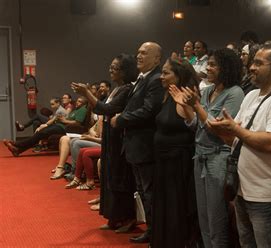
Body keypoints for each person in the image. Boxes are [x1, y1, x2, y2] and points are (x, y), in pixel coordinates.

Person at [208, 43, 271, 248]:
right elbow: (237, 139)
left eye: (258, 63)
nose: (251, 67)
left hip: (266, 195)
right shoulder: (251, 95)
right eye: (252, 62)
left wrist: (234, 129)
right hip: (243, 189)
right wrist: (220, 130)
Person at [169, 48, 245, 248]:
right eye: (208, 64)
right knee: (203, 218)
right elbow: (197, 124)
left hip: (219, 158)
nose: (208, 68)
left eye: (213, 65)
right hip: (200, 156)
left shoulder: (235, 93)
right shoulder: (208, 91)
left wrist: (197, 106)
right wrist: (185, 106)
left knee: (216, 220)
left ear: (226, 68)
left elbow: (218, 128)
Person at [72, 53, 140, 234]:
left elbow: (106, 109)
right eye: (110, 66)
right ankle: (113, 217)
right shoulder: (116, 89)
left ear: (125, 71)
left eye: (115, 68)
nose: (111, 70)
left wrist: (87, 93)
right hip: (110, 137)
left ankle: (127, 218)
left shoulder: (126, 89)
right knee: (109, 176)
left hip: (119, 138)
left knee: (119, 178)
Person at [111, 42, 164, 243]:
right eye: (138, 52)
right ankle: (151, 230)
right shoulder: (143, 79)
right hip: (136, 145)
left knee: (150, 193)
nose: (139, 56)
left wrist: (121, 119)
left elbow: (149, 110)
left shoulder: (156, 79)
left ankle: (156, 233)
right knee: (143, 192)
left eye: (144, 53)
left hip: (145, 146)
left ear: (157, 58)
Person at [150, 57, 200, 247]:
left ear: (179, 76)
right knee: (164, 205)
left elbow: (196, 125)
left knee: (175, 207)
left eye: (166, 73)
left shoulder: (188, 94)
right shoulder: (168, 95)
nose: (160, 76)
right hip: (164, 161)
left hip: (178, 163)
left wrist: (187, 105)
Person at [3, 97, 88, 157]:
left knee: (41, 133)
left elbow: (77, 122)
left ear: (84, 103)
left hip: (63, 128)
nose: (77, 102)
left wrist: (64, 121)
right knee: (40, 132)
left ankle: (17, 144)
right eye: (77, 101)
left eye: (80, 101)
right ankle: (18, 150)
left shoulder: (83, 109)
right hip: (58, 125)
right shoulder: (76, 110)